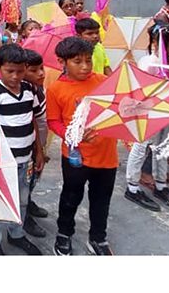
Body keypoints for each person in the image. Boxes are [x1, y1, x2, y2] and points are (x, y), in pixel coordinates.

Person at [47, 37, 115, 256]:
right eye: (78, 61)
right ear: (62, 62)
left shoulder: (105, 82)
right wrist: (73, 135)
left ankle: (98, 237)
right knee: (70, 196)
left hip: (106, 155)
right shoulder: (56, 89)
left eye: (88, 60)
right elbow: (53, 121)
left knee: (101, 199)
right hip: (76, 156)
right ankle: (64, 233)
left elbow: (122, 106)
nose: (85, 66)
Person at [0, 44, 44, 255]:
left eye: (20, 71)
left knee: (22, 199)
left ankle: (16, 234)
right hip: (2, 161)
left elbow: (32, 119)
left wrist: (39, 151)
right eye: (10, 71)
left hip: (26, 159)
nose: (15, 76)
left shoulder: (29, 90)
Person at [125, 25, 169, 213]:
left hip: (167, 110)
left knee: (163, 146)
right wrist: (166, 84)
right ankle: (132, 187)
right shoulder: (149, 63)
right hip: (147, 112)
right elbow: (142, 90)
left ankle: (161, 185)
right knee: (141, 147)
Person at [21, 49, 49, 238]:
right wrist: (38, 149)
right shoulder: (26, 93)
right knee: (25, 181)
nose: (41, 73)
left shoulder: (39, 89)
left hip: (39, 144)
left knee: (33, 179)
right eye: (34, 70)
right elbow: (33, 123)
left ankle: (28, 202)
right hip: (29, 145)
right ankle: (24, 219)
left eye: (42, 68)